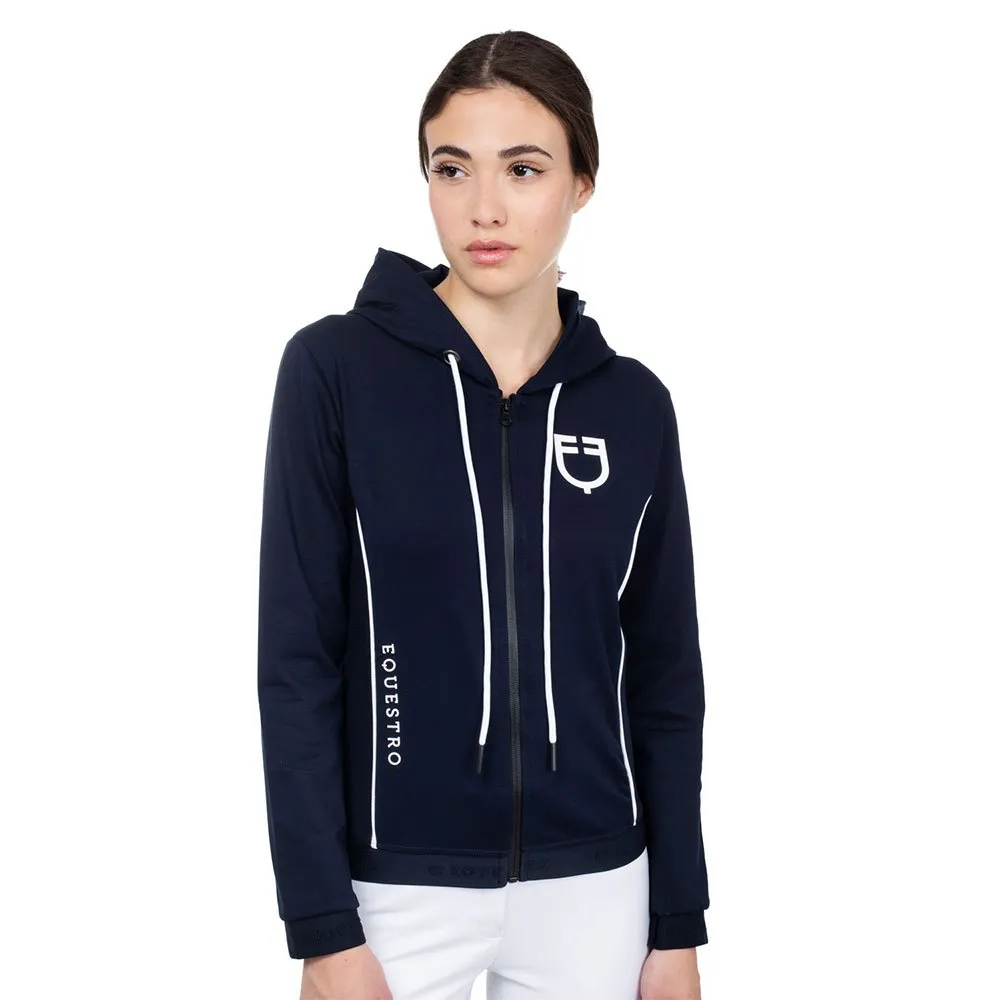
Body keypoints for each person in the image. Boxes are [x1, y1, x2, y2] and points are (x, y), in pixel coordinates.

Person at [257, 29, 710, 1000]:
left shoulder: (631, 405)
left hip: (597, 887)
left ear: (582, 183)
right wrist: (322, 927)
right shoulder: (334, 372)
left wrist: (677, 922)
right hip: (393, 891)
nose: (484, 208)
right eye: (451, 168)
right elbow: (295, 662)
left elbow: (666, 678)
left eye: (524, 168)